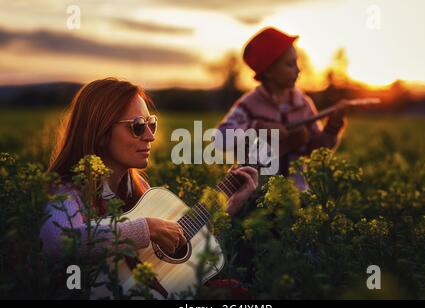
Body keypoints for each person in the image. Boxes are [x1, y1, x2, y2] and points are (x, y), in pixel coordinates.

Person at [40, 77, 258, 258]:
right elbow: (58, 243)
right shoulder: (68, 191)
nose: (150, 136)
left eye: (151, 123)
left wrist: (227, 206)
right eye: (137, 127)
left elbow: (167, 255)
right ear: (100, 133)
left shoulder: (138, 187)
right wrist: (146, 228)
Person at [216, 27, 348, 190]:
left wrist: (332, 127)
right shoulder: (250, 104)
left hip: (296, 194)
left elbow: (318, 150)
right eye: (290, 64)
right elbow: (220, 138)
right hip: (255, 197)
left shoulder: (303, 105)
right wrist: (258, 128)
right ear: (270, 71)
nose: (298, 69)